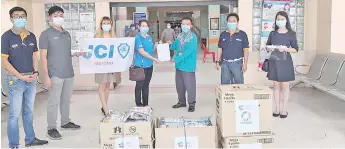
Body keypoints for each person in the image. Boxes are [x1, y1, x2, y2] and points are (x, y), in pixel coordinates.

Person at [1, 7, 49, 148]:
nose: (20, 19)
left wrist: (35, 72)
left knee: (28, 111)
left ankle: (30, 139)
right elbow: (4, 61)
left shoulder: (31, 36)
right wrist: (20, 77)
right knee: (14, 114)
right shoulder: (6, 37)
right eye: (17, 16)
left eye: (23, 16)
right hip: (15, 80)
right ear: (11, 19)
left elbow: (35, 56)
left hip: (31, 78)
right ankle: (13, 145)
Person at [39, 6, 82, 140]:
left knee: (66, 100)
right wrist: (46, 76)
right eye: (56, 15)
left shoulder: (66, 34)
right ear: (50, 17)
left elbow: (65, 52)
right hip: (55, 74)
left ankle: (65, 122)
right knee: (54, 101)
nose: (59, 17)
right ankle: (51, 128)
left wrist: (76, 53)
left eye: (61, 15)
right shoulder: (46, 34)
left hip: (69, 72)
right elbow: (43, 57)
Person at [266, 11, 298, 119]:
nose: (280, 21)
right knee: (276, 86)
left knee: (285, 86)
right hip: (274, 60)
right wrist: (268, 48)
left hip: (285, 61)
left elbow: (295, 49)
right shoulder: (272, 34)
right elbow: (267, 46)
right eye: (278, 19)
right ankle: (277, 108)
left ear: (286, 20)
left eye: (282, 19)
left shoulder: (291, 34)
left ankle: (284, 110)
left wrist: (285, 49)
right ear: (275, 21)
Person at [170, 17, 198, 112]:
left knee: (190, 85)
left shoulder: (193, 37)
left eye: (187, 24)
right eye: (183, 24)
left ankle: (191, 103)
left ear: (191, 26)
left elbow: (188, 52)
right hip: (179, 66)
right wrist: (168, 44)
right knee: (179, 85)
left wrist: (176, 59)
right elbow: (175, 46)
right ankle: (181, 102)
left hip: (188, 65)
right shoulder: (179, 36)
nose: (184, 26)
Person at [216, 13, 249, 84]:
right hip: (225, 63)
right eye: (230, 21)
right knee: (224, 84)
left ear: (237, 22)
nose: (231, 23)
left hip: (237, 63)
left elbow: (246, 50)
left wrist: (245, 64)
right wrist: (217, 61)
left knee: (239, 85)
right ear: (227, 22)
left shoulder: (242, 34)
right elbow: (220, 48)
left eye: (233, 21)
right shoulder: (223, 34)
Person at [134, 19, 160, 107]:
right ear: (139, 27)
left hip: (149, 65)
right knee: (139, 86)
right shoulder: (137, 38)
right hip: (140, 66)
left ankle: (145, 104)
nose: (145, 28)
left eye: (146, 26)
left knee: (146, 85)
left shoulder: (149, 37)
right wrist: (154, 59)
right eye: (143, 26)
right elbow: (142, 52)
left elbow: (150, 50)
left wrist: (155, 47)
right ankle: (138, 104)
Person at [94, 16, 117, 116]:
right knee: (102, 86)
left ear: (111, 25)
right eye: (104, 23)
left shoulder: (113, 36)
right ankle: (106, 108)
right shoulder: (97, 36)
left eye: (108, 23)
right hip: (101, 65)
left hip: (110, 66)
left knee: (108, 86)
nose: (106, 25)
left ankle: (104, 106)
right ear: (101, 25)